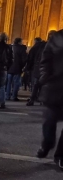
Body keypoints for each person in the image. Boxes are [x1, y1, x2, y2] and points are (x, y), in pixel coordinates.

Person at [36, 30, 63, 171]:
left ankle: (61, 156)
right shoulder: (58, 37)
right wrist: (45, 77)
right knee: (49, 121)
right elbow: (45, 59)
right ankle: (47, 144)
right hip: (55, 87)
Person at [25, 37, 46, 106]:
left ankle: (32, 99)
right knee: (42, 85)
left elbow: (30, 58)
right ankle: (41, 100)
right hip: (45, 69)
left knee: (35, 85)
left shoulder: (37, 47)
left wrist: (28, 68)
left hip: (36, 68)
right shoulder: (49, 46)